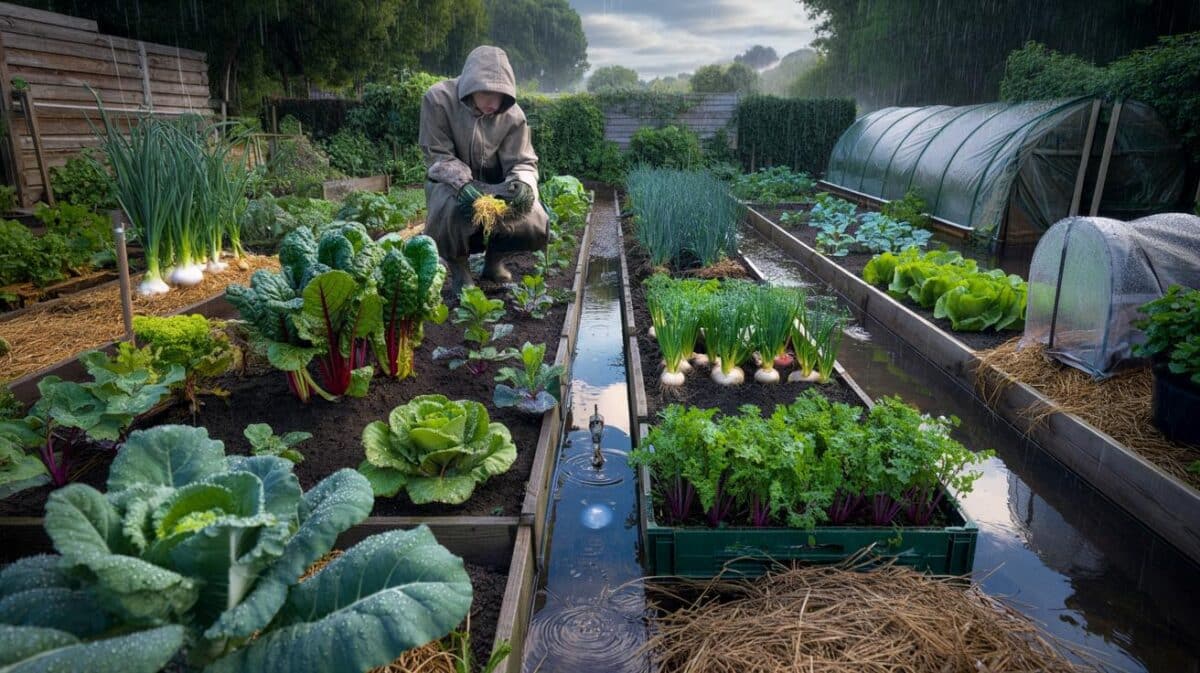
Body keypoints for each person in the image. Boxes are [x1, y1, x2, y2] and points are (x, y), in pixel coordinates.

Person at [419, 45, 549, 293]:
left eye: (500, 95)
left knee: (532, 217)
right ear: (470, 86)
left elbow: (523, 161)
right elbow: (437, 156)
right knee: (451, 212)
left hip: (496, 185)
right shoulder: (438, 100)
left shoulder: (513, 115)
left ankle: (494, 261)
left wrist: (522, 183)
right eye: (487, 93)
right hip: (449, 184)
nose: (494, 102)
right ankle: (459, 270)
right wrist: (462, 184)